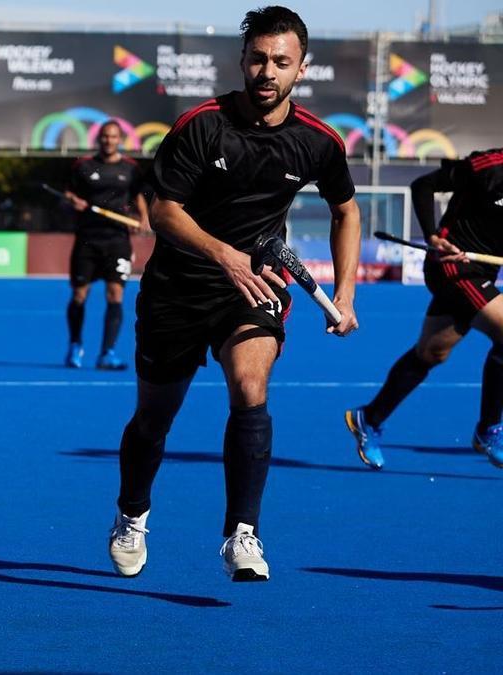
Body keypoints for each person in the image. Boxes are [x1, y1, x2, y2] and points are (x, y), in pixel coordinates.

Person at [107, 5, 360, 582]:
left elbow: (346, 211)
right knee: (154, 418)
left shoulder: (319, 142)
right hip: (179, 287)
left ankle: (242, 534)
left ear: (302, 68)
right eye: (258, 59)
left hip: (254, 290)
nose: (268, 71)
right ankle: (132, 512)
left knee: (250, 386)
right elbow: (165, 212)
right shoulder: (201, 124)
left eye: (281, 61)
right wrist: (224, 254)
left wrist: (345, 294)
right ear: (243, 62)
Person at [346, 147, 503, 470]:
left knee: (432, 353)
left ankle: (369, 417)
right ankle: (489, 429)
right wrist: (433, 236)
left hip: (481, 271)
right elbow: (423, 185)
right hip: (450, 265)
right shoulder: (488, 167)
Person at [63, 120, 149, 370]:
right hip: (87, 239)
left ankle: (107, 353)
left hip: (118, 241)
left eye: (113, 137)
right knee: (79, 294)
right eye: (104, 136)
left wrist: (141, 219)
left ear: (119, 139)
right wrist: (73, 202)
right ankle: (75, 344)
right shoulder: (83, 165)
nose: (108, 140)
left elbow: (137, 196)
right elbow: (69, 194)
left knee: (116, 294)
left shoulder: (131, 168)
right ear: (98, 139)